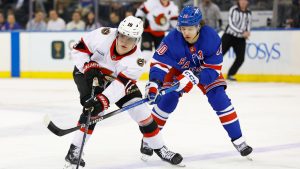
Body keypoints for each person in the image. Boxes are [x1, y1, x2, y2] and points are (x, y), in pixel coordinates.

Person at [63, 16, 183, 169]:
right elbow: (78, 49)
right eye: (123, 36)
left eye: (131, 38)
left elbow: (120, 86)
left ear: (137, 39)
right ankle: (74, 151)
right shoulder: (103, 35)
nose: (125, 41)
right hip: (86, 73)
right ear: (118, 33)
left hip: (115, 81)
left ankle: (160, 148)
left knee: (140, 110)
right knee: (92, 110)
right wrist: (87, 65)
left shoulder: (137, 60)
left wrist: (104, 100)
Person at [140, 6, 253, 159]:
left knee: (218, 97)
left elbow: (213, 69)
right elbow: (159, 64)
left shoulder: (212, 38)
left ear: (199, 26)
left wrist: (196, 76)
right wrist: (154, 83)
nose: (185, 32)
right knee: (169, 99)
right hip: (178, 69)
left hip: (204, 70)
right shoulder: (172, 39)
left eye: (190, 28)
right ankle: (148, 140)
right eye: (183, 28)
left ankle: (239, 140)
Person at [222, 0, 252, 81]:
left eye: (245, 0)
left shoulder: (249, 12)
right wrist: (243, 32)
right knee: (218, 55)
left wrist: (247, 32)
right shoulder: (233, 9)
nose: (243, 2)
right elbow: (231, 24)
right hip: (228, 36)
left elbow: (248, 24)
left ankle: (231, 74)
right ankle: (207, 72)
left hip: (240, 39)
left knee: (241, 58)